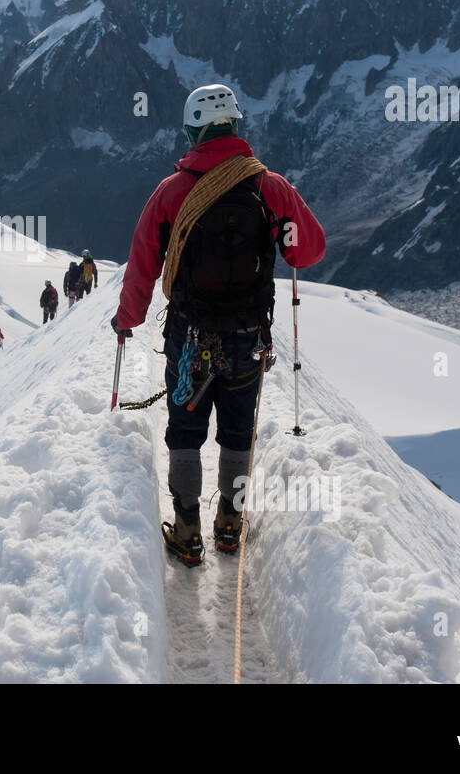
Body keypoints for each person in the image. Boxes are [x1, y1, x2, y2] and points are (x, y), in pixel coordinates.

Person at [112, 84, 325, 562]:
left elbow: (143, 263)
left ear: (193, 132)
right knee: (237, 430)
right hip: (248, 339)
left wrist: (127, 320)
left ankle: (187, 529)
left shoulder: (171, 193)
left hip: (189, 338)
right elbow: (308, 250)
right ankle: (231, 521)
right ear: (235, 125)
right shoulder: (269, 188)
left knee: (185, 431)